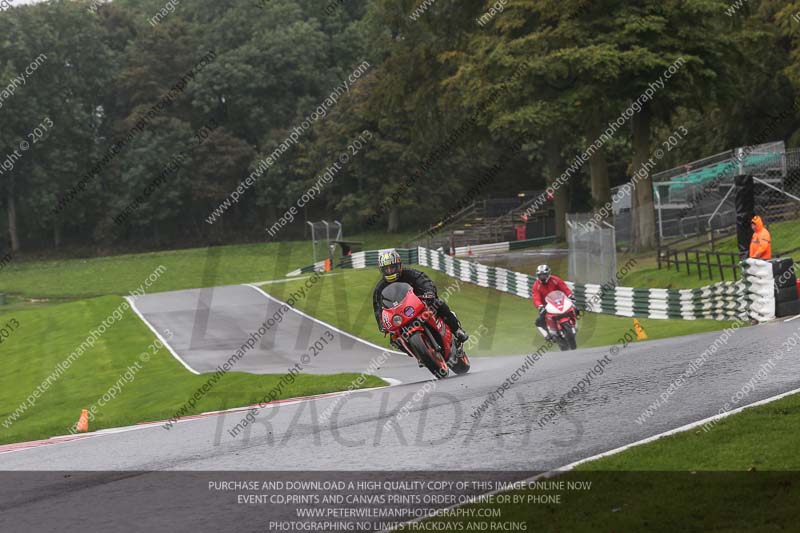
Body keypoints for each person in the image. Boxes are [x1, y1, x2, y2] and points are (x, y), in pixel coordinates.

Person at [372, 251, 469, 345]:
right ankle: (419, 355)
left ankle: (457, 330)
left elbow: (425, 281)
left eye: (392, 268)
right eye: (386, 269)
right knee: (394, 339)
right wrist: (382, 324)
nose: (389, 271)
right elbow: (377, 307)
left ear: (399, 266)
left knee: (439, 304)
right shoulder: (380, 288)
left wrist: (429, 293)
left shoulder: (410, 273)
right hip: (400, 313)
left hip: (420, 301)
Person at [531, 264, 578, 339]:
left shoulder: (555, 280)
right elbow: (536, 297)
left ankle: (574, 324)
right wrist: (539, 306)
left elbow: (564, 288)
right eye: (540, 275)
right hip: (546, 306)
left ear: (548, 274)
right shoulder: (536, 286)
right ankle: (547, 335)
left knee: (575, 308)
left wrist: (570, 295)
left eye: (544, 275)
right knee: (539, 321)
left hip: (560, 301)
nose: (542, 277)